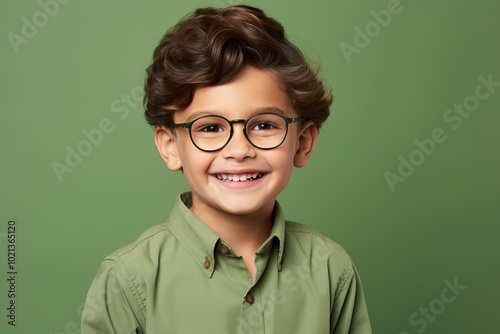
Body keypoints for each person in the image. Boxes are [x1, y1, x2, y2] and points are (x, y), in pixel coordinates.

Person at [81, 5, 372, 334]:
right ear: (171, 146)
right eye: (209, 128)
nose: (239, 150)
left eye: (264, 125)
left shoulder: (331, 268)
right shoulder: (128, 279)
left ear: (302, 142)